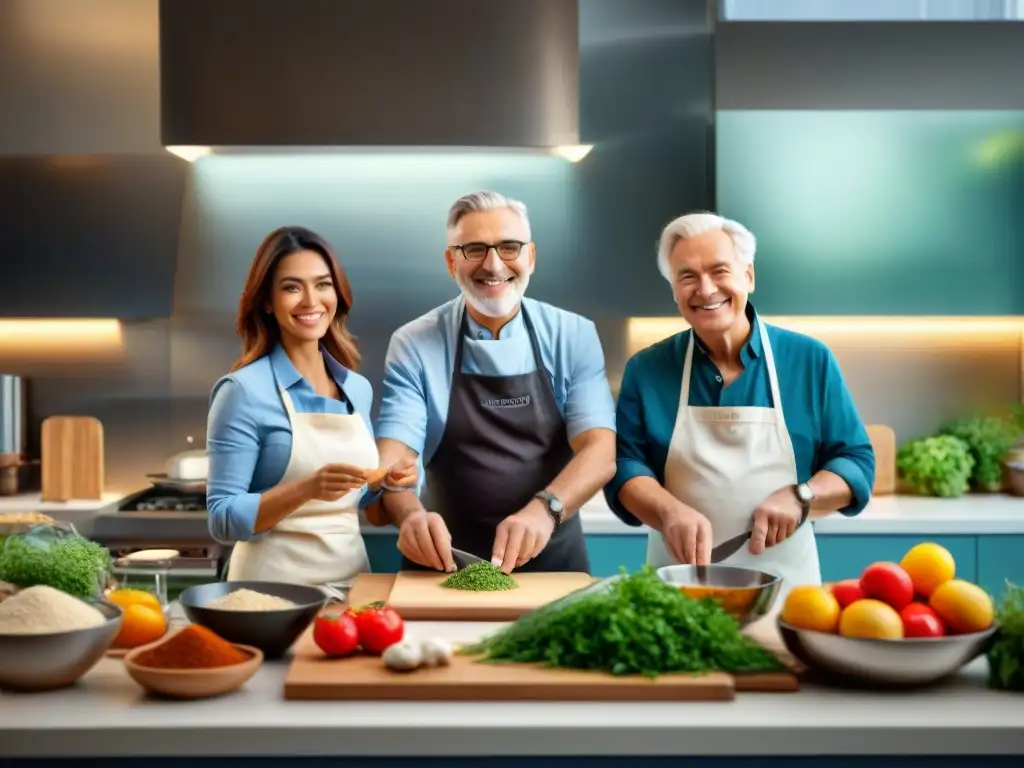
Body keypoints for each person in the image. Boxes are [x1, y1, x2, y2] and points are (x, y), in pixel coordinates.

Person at [604, 212, 875, 603]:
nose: (706, 289)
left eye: (719, 271)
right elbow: (625, 466)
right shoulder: (646, 369)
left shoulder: (809, 360)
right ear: (674, 292)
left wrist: (803, 497)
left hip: (787, 595)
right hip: (676, 592)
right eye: (687, 277)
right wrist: (667, 512)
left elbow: (855, 461)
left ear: (748, 276)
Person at [370, 191, 617, 575]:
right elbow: (396, 458)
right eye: (474, 249)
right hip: (443, 564)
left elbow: (600, 450)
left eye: (509, 247)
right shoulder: (414, 343)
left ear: (530, 257)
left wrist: (545, 510)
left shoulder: (573, 335)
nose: (493, 264)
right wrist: (410, 515)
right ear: (452, 261)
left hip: (553, 563)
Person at [206, 226, 417, 586]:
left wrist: (388, 484)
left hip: (351, 589)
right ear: (268, 302)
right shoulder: (242, 391)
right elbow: (222, 519)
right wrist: (306, 488)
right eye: (292, 287)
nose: (310, 301)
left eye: (322, 284)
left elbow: (366, 508)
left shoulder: (356, 389)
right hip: (270, 596)